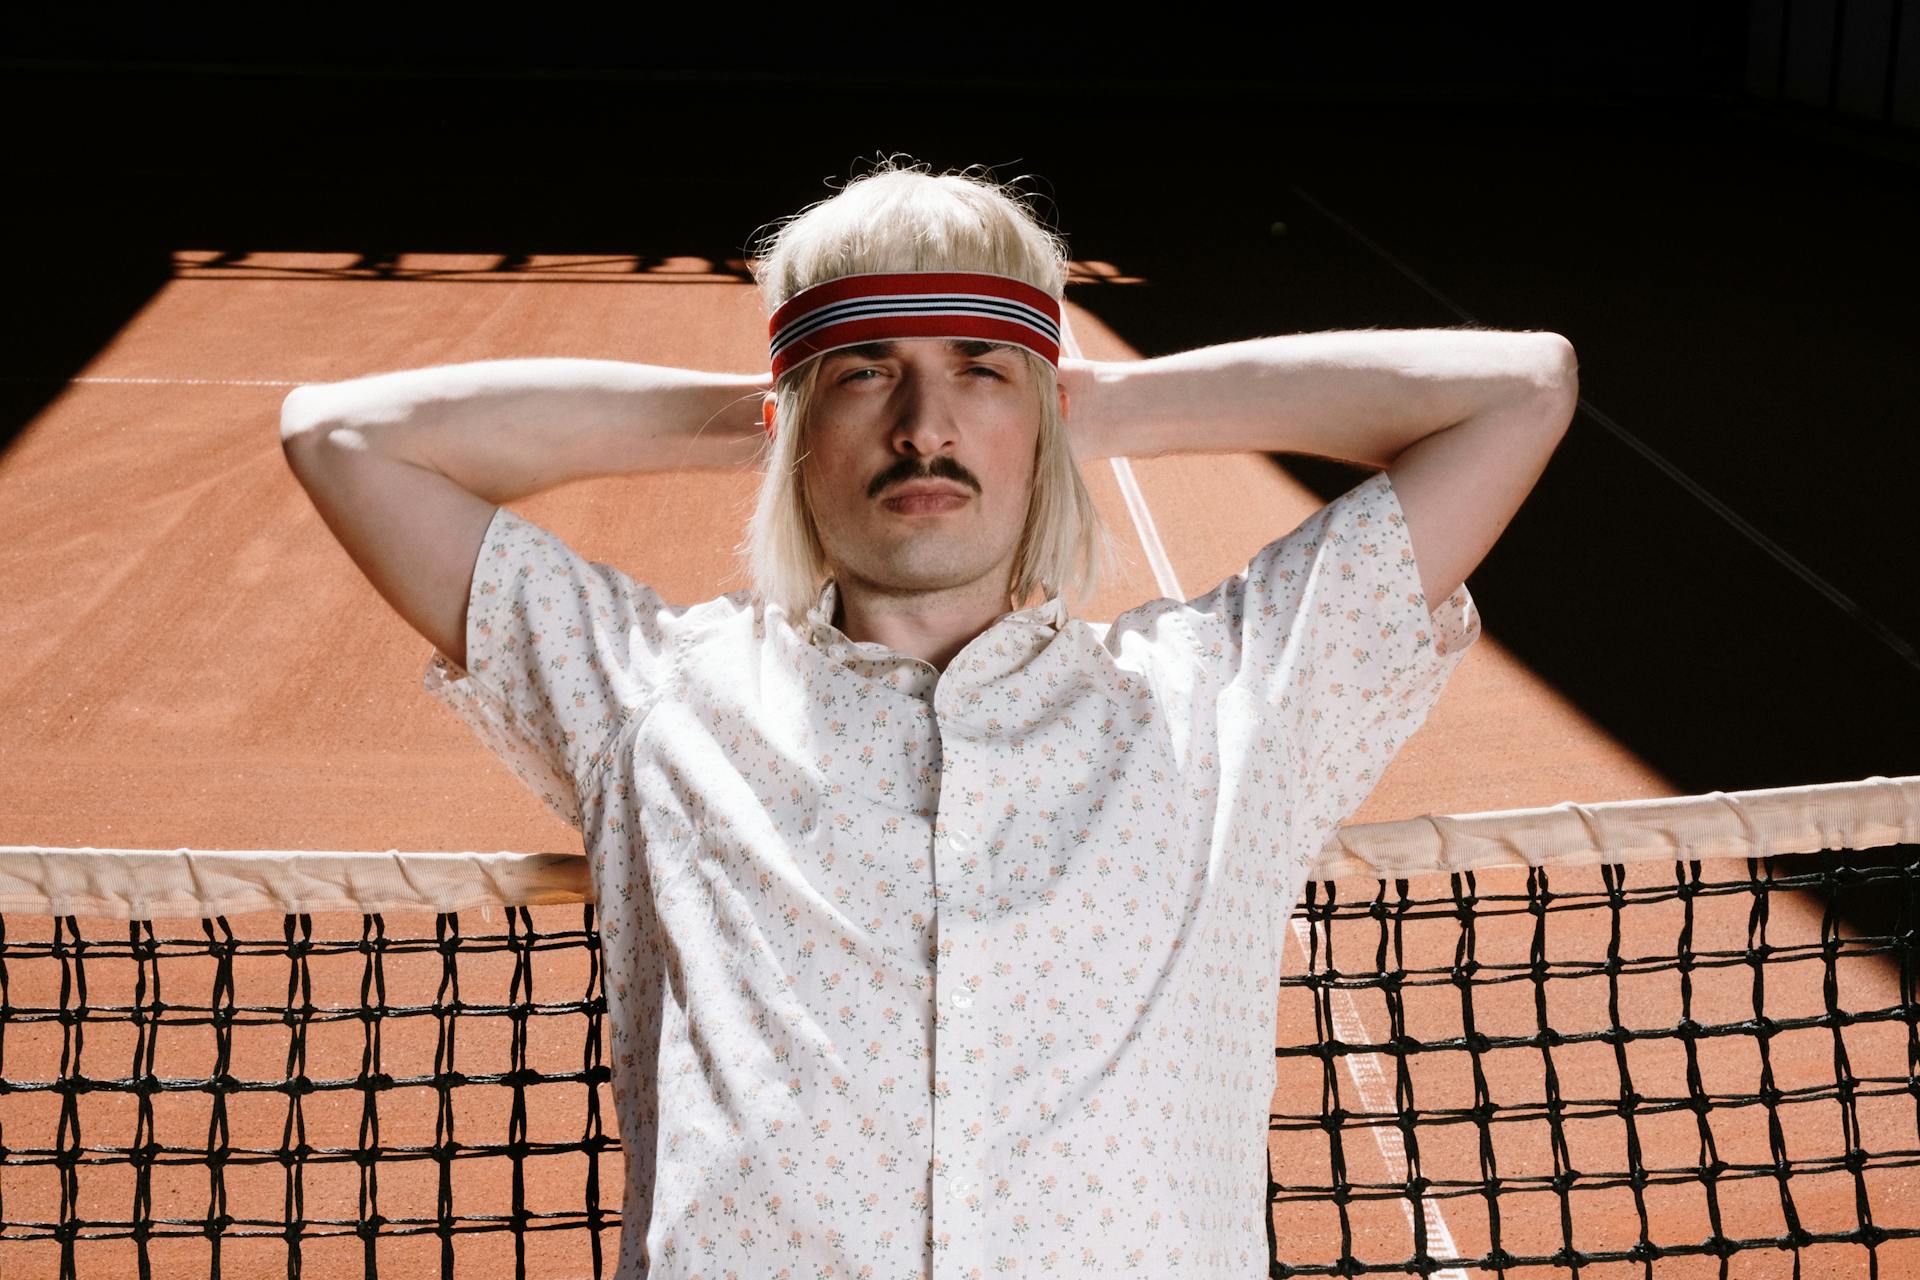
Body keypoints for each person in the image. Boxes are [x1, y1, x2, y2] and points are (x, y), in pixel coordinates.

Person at [279, 157, 1575, 1279]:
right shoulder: (652, 699)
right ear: (796, 422)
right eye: (866, 374)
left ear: (1045, 416)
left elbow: (1517, 391)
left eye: (979, 373)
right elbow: (341, 437)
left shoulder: (1230, 705)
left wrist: (1094, 410)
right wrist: (776, 413)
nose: (924, 428)